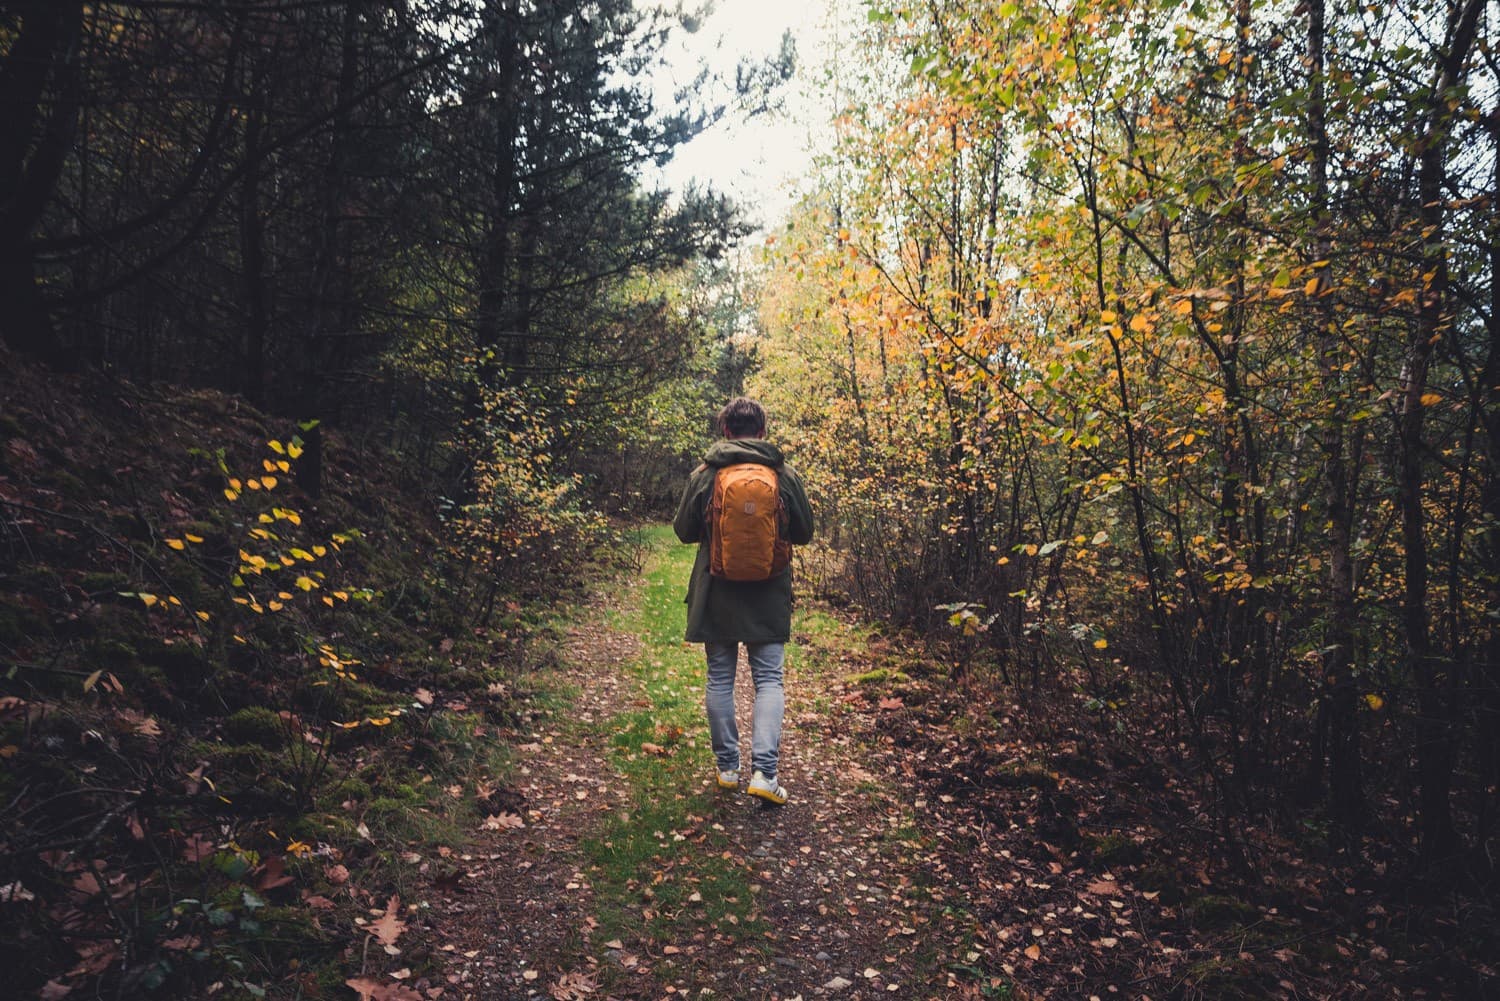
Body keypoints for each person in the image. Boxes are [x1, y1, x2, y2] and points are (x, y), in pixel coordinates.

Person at [673, 398, 814, 805]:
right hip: (768, 592)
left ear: (726, 431)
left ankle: (727, 768)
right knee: (768, 680)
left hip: (716, 590)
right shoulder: (783, 474)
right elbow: (804, 533)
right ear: (763, 431)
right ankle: (765, 775)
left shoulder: (705, 474)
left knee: (720, 678)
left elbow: (683, 531)